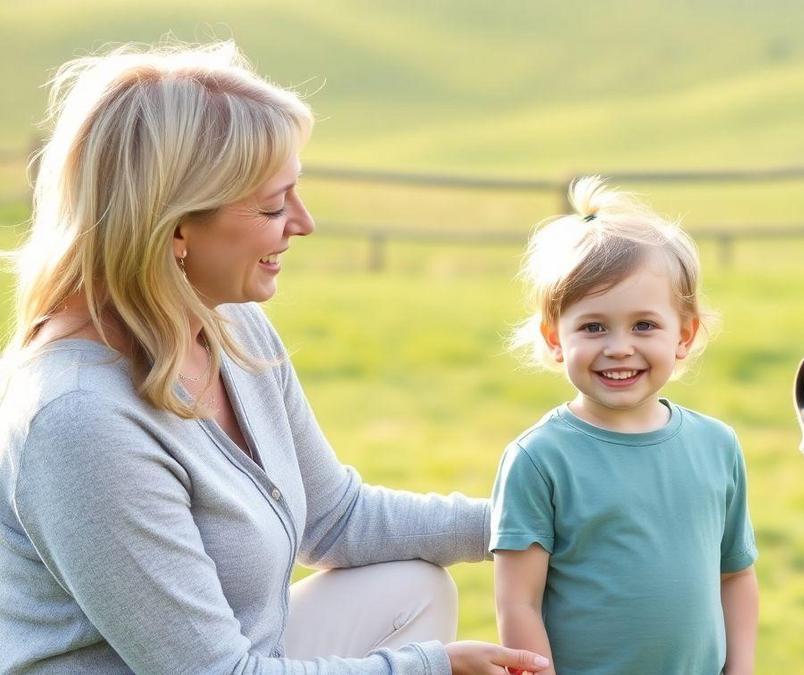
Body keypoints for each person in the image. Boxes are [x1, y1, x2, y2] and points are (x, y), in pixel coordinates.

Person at [0, 42, 549, 675]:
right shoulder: (79, 420)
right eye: (271, 206)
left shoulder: (229, 324)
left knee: (411, 587)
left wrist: (535, 524)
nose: (304, 223)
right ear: (173, 227)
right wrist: (428, 667)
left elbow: (337, 518)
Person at [490, 178, 759, 674]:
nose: (618, 347)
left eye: (644, 325)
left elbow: (735, 575)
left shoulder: (717, 446)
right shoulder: (539, 459)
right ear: (555, 338)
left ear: (685, 334)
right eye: (593, 326)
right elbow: (518, 603)